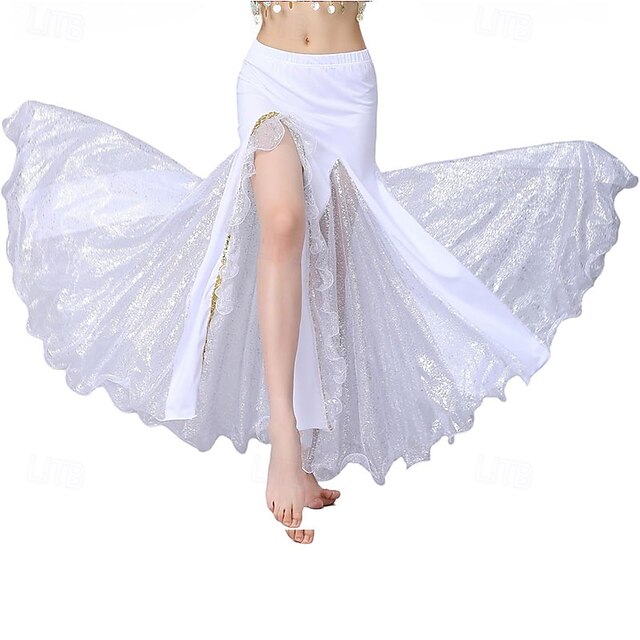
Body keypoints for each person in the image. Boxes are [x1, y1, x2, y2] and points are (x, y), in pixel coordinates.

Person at [1, 1, 637, 545]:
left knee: (333, 262)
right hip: (270, 81)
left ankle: (305, 454)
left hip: (345, 87)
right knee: (282, 221)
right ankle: (284, 442)